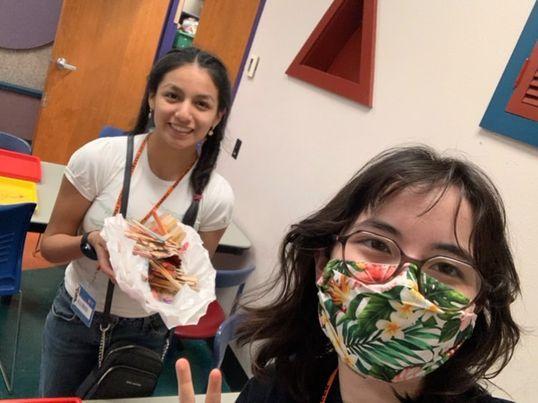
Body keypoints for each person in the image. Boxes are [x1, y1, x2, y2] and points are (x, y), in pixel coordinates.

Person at [231, 146, 520, 402]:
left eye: (446, 267)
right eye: (377, 244)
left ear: (478, 303)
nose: (403, 287)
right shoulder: (271, 391)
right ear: (323, 262)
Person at [38, 46, 234, 397]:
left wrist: (160, 266)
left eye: (201, 104)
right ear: (152, 97)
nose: (184, 113)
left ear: (217, 117)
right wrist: (89, 242)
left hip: (146, 333)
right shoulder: (99, 159)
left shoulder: (215, 196)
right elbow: (49, 247)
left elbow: (188, 283)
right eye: (173, 96)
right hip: (77, 315)